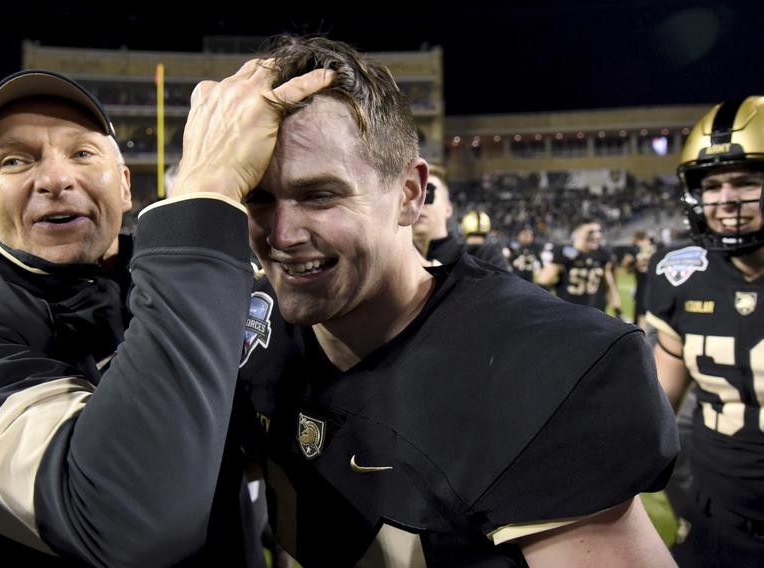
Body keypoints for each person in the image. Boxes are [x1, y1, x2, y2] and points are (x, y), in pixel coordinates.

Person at [234, 35, 677, 567]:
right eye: (258, 197)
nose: (281, 234)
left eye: (319, 194)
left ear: (409, 195)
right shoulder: (243, 324)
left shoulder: (538, 363)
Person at [0, 65, 332, 566]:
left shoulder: (206, 279)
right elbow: (124, 522)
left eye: (82, 153)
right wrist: (205, 187)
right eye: (15, 161)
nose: (55, 178)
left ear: (125, 186)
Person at [645, 95, 764, 568]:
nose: (726, 200)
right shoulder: (680, 274)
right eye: (711, 185)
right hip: (717, 520)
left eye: (745, 181)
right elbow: (656, 407)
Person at [411, 168, 508, 269]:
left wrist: (429, 268)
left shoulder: (483, 257)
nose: (417, 205)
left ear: (448, 209)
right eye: (412, 196)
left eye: (427, 195)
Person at [537, 219, 621, 314]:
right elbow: (543, 282)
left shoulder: (603, 254)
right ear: (577, 232)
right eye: (591, 232)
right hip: (568, 313)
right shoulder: (564, 253)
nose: (597, 235)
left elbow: (609, 285)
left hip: (596, 313)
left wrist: (617, 309)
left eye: (599, 231)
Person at [620, 229, 656, 329]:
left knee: (641, 314)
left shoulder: (634, 249)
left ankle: (642, 340)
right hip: (657, 284)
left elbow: (626, 263)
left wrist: (633, 267)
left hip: (642, 285)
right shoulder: (655, 247)